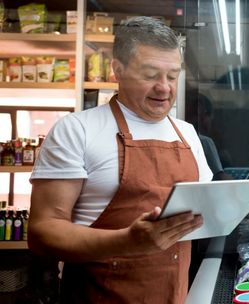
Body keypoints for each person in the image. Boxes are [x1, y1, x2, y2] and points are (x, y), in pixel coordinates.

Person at [28, 16, 213, 304]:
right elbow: (42, 233)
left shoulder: (187, 134)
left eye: (172, 76)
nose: (164, 88)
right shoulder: (77, 130)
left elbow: (204, 213)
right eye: (150, 75)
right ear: (118, 70)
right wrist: (127, 242)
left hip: (174, 295)